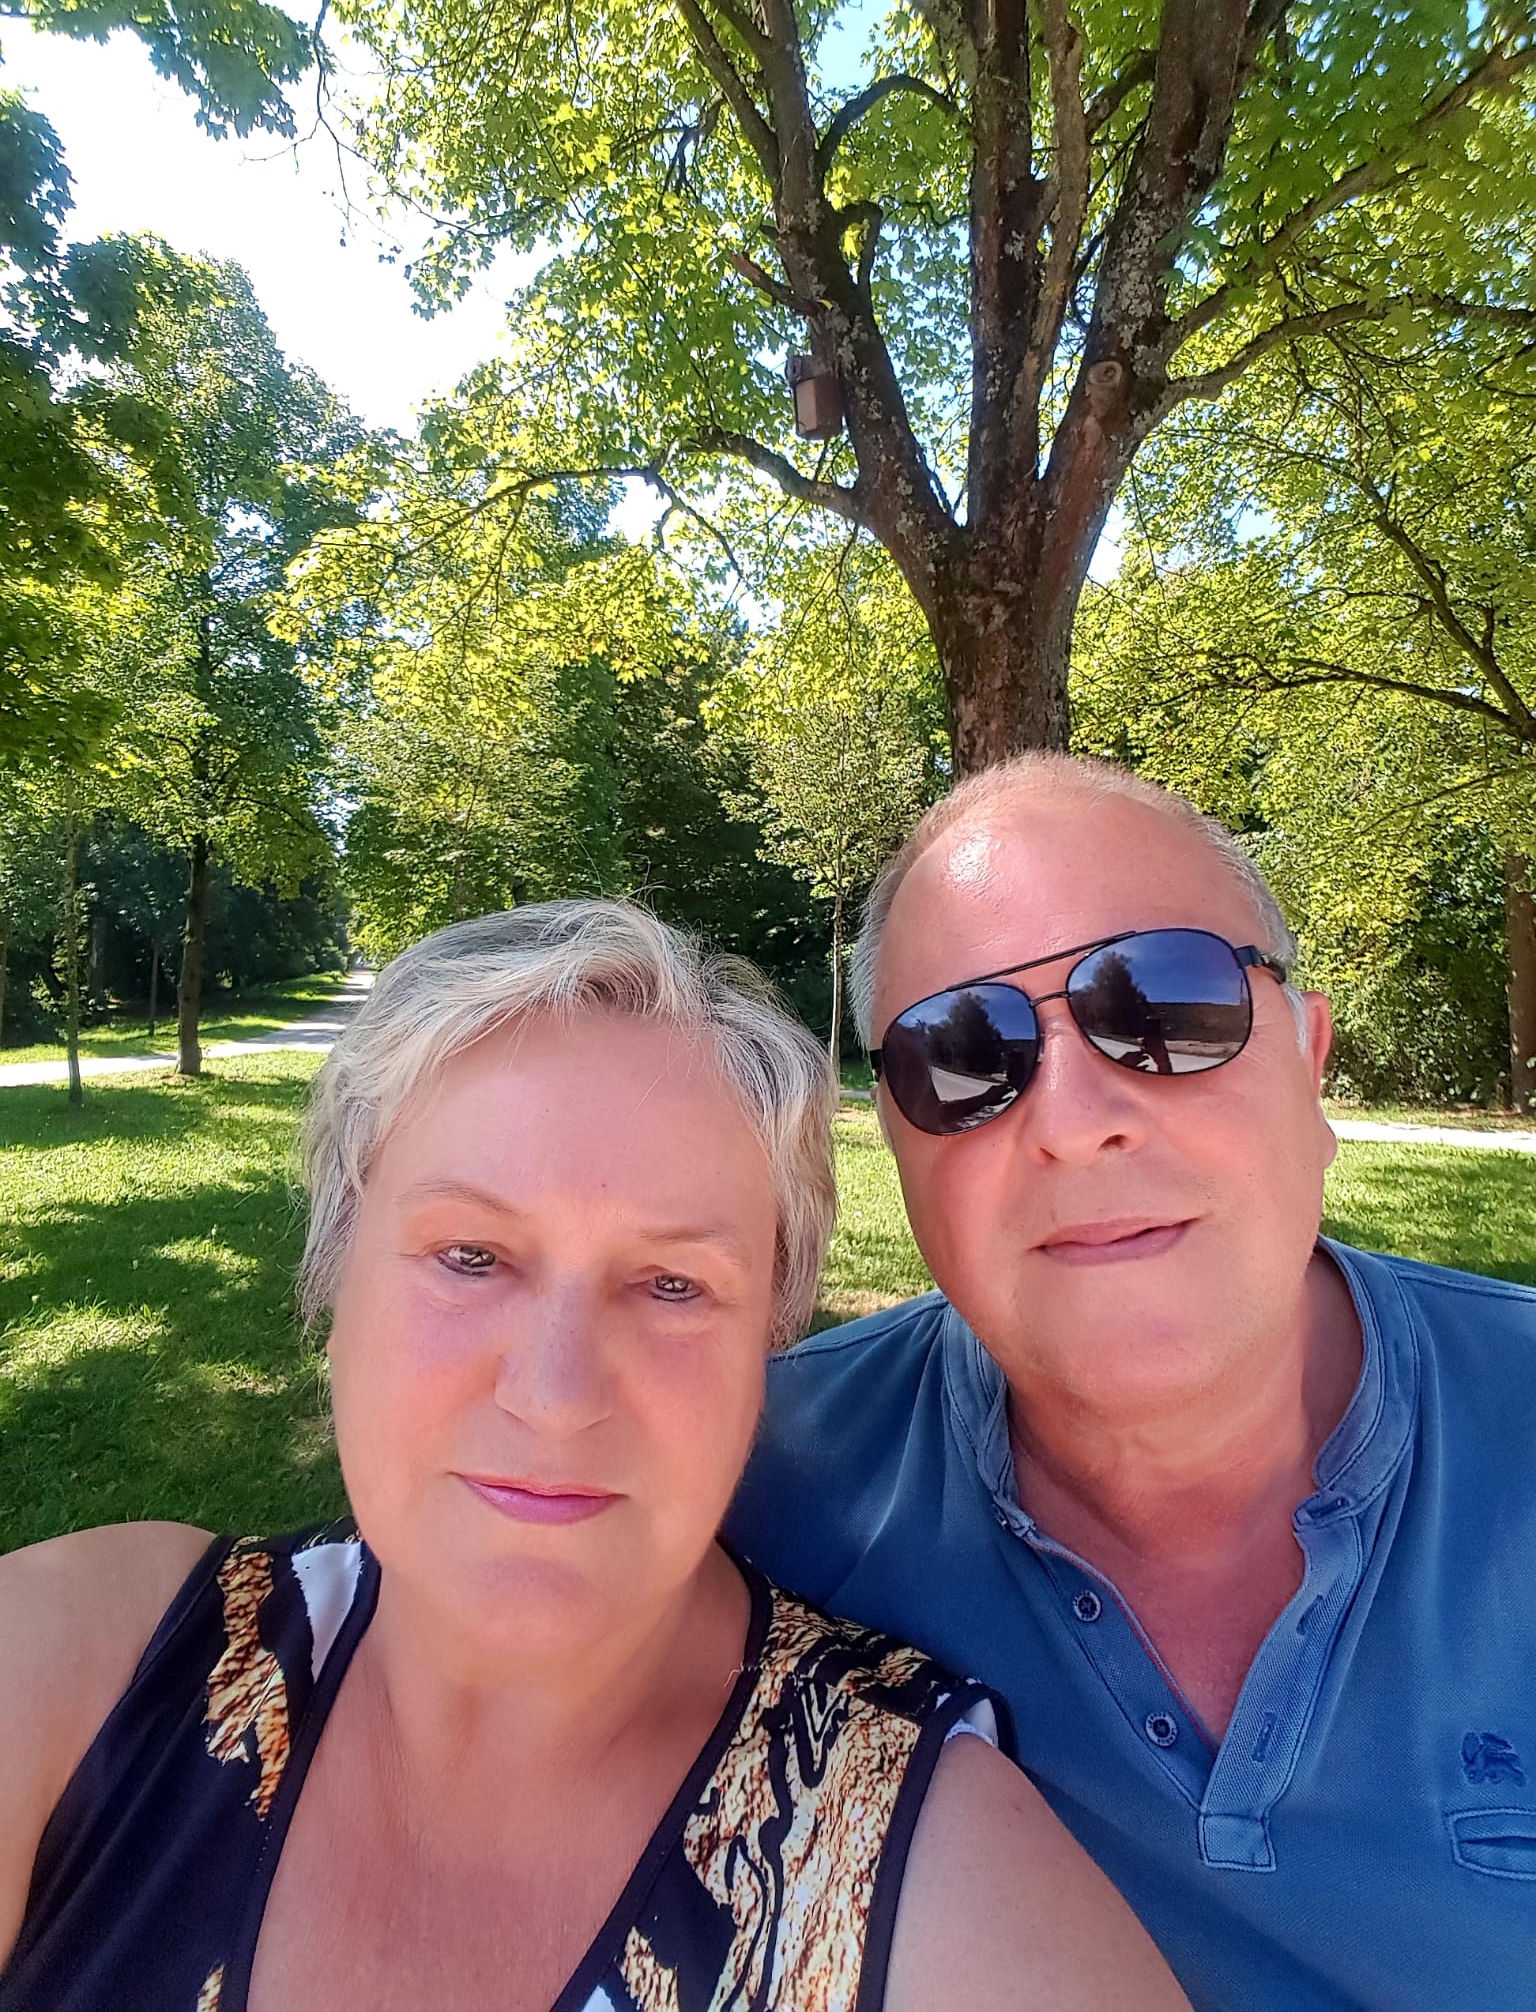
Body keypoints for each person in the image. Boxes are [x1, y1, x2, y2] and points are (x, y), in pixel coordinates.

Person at [0, 899, 1185, 2012]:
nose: (556, 1395)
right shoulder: (95, 1666)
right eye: (471, 1255)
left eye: (672, 1283)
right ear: (334, 1279)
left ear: (766, 1348)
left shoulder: (933, 1868)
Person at [729, 755, 1536, 2012]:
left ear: (1311, 1059)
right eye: (962, 1052)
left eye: (1167, 1002)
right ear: (896, 1140)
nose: (1072, 1119)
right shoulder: (748, 1484)